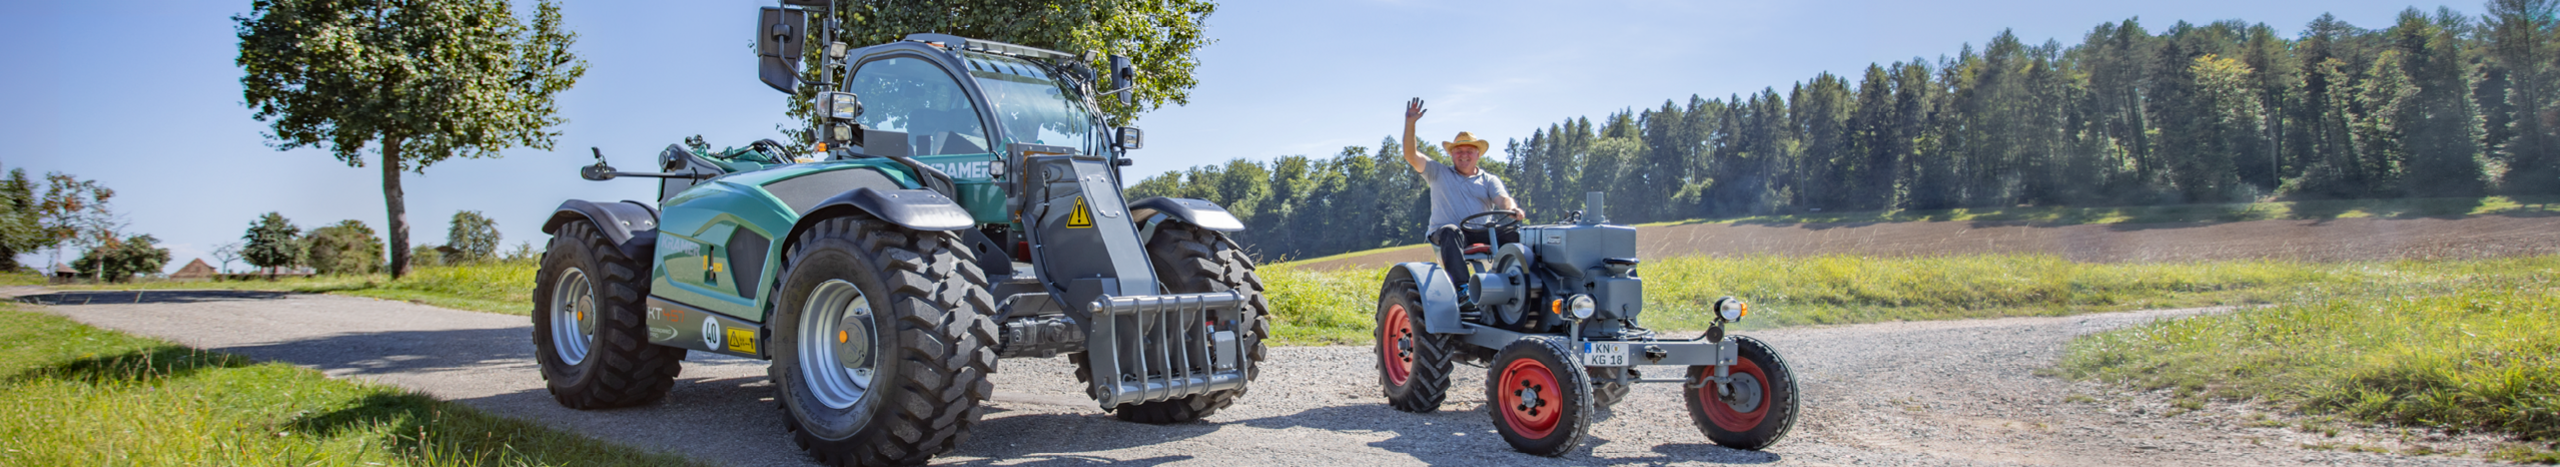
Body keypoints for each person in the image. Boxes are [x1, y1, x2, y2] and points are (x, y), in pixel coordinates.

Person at [1401, 98, 1523, 280]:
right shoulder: (1437, 172)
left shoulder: (1489, 180)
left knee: (1518, 234)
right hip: (1447, 235)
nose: (1464, 155)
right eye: (1459, 151)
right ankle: (1463, 288)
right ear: (1451, 154)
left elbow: (1502, 199)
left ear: (1478, 154)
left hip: (1480, 232)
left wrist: (1512, 209)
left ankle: (1518, 282)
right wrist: (1410, 123)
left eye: (1469, 150)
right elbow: (1411, 155)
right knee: (1451, 230)